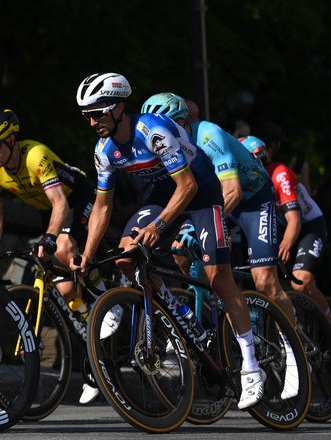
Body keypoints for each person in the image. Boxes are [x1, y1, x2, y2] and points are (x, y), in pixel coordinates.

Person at [72, 72, 265, 409]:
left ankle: (251, 365)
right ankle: (182, 314)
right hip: (164, 193)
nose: (91, 122)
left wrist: (158, 226)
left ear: (119, 107)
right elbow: (103, 205)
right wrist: (87, 253)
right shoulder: (104, 149)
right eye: (86, 114)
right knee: (124, 257)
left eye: (97, 112)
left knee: (218, 277)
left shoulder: (153, 131)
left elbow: (188, 186)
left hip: (201, 192)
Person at [0, 107, 114, 404]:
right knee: (63, 287)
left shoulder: (35, 156)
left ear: (11, 141)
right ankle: (96, 359)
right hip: (48, 210)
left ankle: (107, 300)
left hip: (77, 198)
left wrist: (50, 237)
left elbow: (60, 203)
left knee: (62, 247)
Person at [141, 93, 297, 327]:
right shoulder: (165, 146)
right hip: (215, 200)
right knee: (180, 249)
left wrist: (196, 227)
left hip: (252, 199)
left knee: (264, 282)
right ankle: (212, 308)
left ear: (181, 123)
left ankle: (295, 347)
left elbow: (233, 192)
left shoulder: (208, 135)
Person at [240, 135, 331, 320]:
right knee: (271, 283)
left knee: (301, 283)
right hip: (284, 228)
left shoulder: (279, 173)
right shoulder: (247, 181)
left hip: (308, 228)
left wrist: (285, 245)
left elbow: (294, 219)